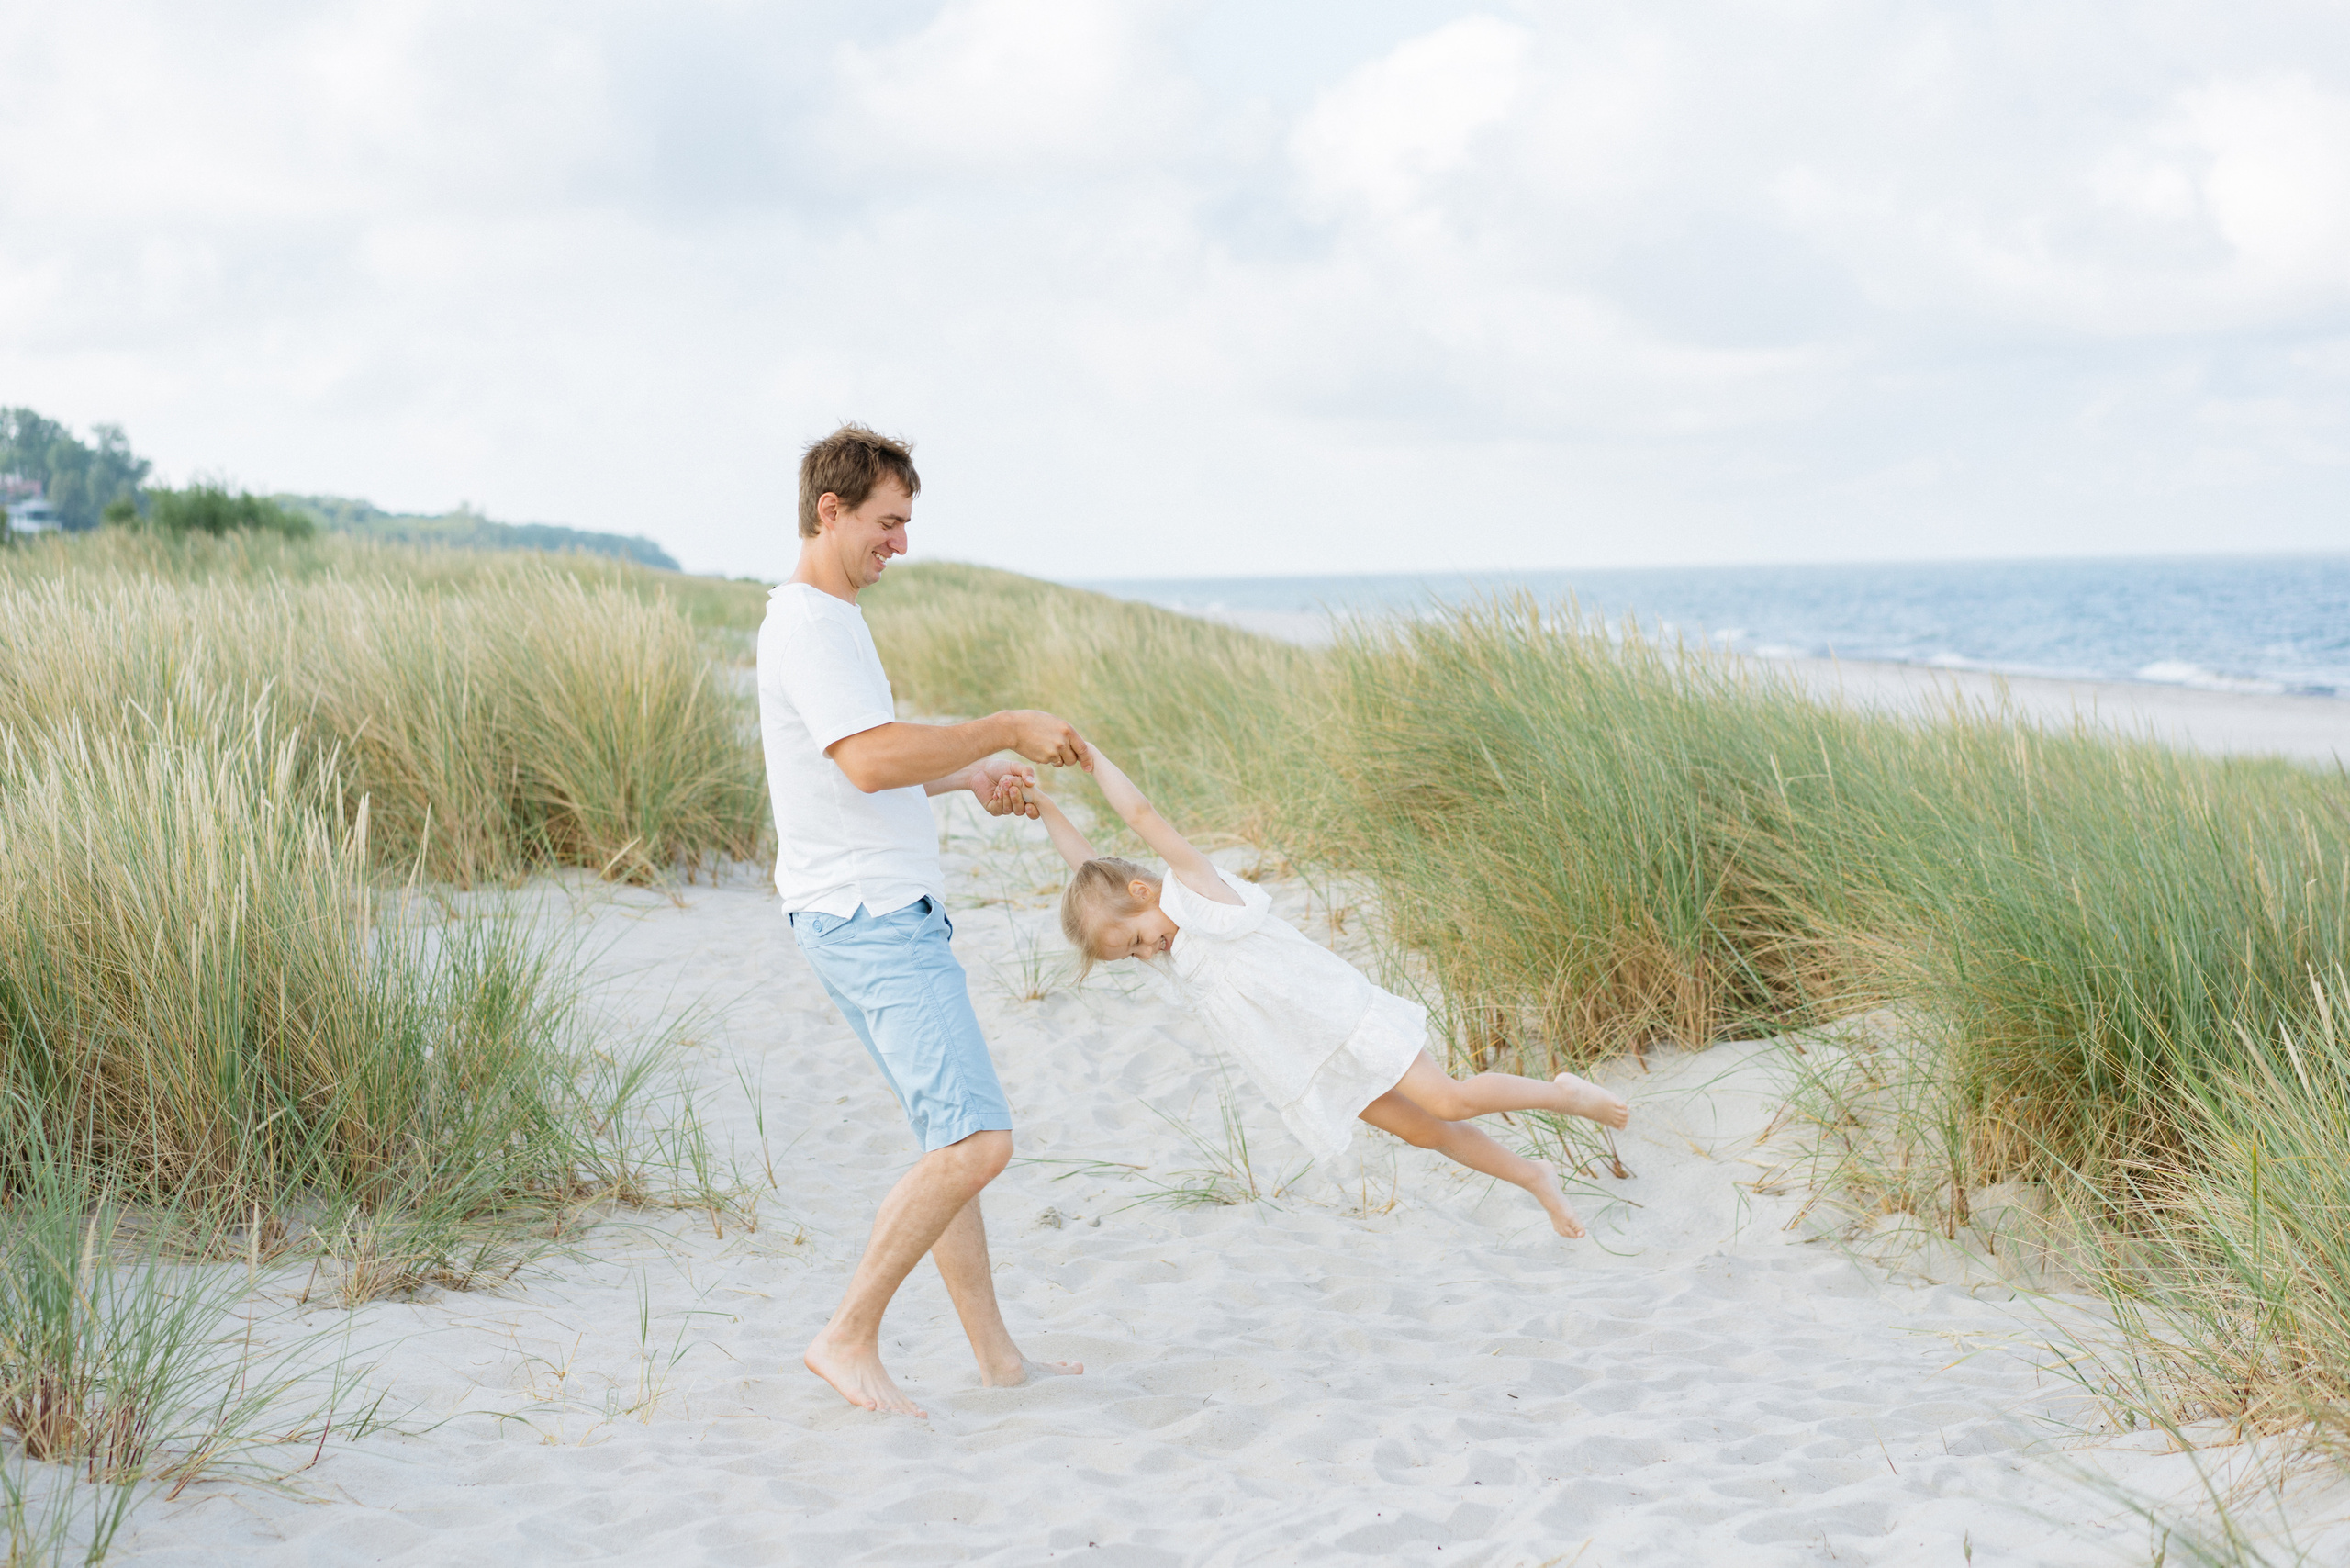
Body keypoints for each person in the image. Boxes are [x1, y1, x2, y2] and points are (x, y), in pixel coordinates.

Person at [758, 423, 1089, 1418]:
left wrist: (967, 774)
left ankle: (997, 1361)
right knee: (977, 1143)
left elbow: (858, 762)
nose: (900, 544)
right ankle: (846, 1334)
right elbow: (866, 761)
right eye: (888, 523)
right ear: (831, 511)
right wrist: (1003, 726)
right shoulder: (811, 624)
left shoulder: (828, 618)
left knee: (950, 1142)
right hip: (871, 918)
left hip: (859, 910)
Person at [1031, 750, 1631, 1238]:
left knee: (1448, 1101)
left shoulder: (1199, 894)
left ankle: (1565, 1094)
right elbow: (1088, 869)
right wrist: (1045, 806)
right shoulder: (1170, 950)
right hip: (1310, 1062)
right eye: (1131, 955)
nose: (1145, 954)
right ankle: (1534, 1176)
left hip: (1345, 1019)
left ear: (1143, 891)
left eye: (1137, 941)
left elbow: (1141, 815)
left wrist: (1089, 758)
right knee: (1427, 1132)